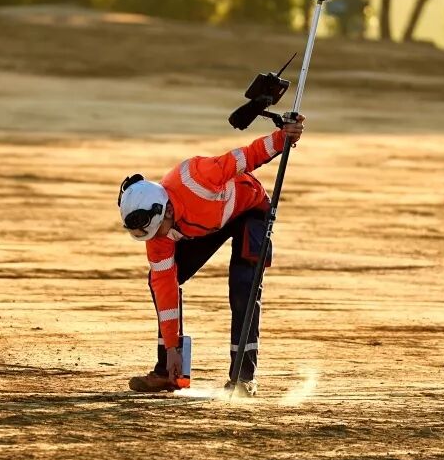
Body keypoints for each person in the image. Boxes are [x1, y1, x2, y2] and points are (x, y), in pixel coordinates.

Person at [116, 114, 306, 397]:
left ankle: (242, 378)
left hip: (249, 211)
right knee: (159, 282)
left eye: (159, 231)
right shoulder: (157, 234)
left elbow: (247, 156)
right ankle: (170, 370)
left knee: (244, 286)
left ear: (165, 209)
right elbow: (166, 286)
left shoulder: (197, 176)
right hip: (206, 225)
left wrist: (283, 137)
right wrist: (172, 347)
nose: (158, 238)